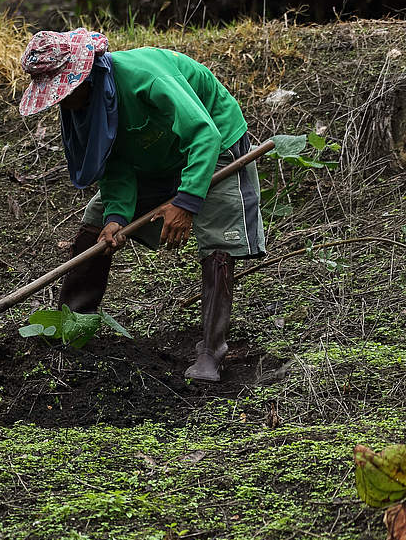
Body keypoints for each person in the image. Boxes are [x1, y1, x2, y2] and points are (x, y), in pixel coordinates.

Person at [17, 28, 266, 382]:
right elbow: (115, 162)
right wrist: (117, 215)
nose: (59, 102)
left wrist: (187, 201)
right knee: (96, 218)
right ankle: (71, 323)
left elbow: (203, 134)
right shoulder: (86, 107)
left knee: (217, 237)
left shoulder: (145, 76)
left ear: (83, 76)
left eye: (61, 92)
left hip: (215, 143)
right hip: (157, 156)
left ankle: (212, 350)